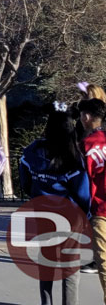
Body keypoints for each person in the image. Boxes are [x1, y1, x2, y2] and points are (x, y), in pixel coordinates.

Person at [20, 110, 91, 305]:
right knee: (70, 268)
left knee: (47, 261)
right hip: (70, 217)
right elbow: (83, 194)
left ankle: (46, 302)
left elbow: (25, 182)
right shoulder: (74, 159)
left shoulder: (32, 152)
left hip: (43, 214)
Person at [79, 98, 106, 292]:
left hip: (100, 209)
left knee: (104, 261)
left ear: (87, 117)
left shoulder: (86, 145)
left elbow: (83, 180)